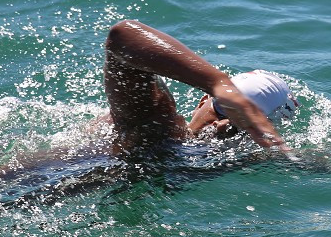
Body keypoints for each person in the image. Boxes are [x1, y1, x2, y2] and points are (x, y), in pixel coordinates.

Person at [90, 19, 298, 157]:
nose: (222, 125)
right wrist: (219, 84)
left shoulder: (220, 163)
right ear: (204, 100)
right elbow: (122, 36)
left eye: (241, 127)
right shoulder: (159, 124)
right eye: (224, 110)